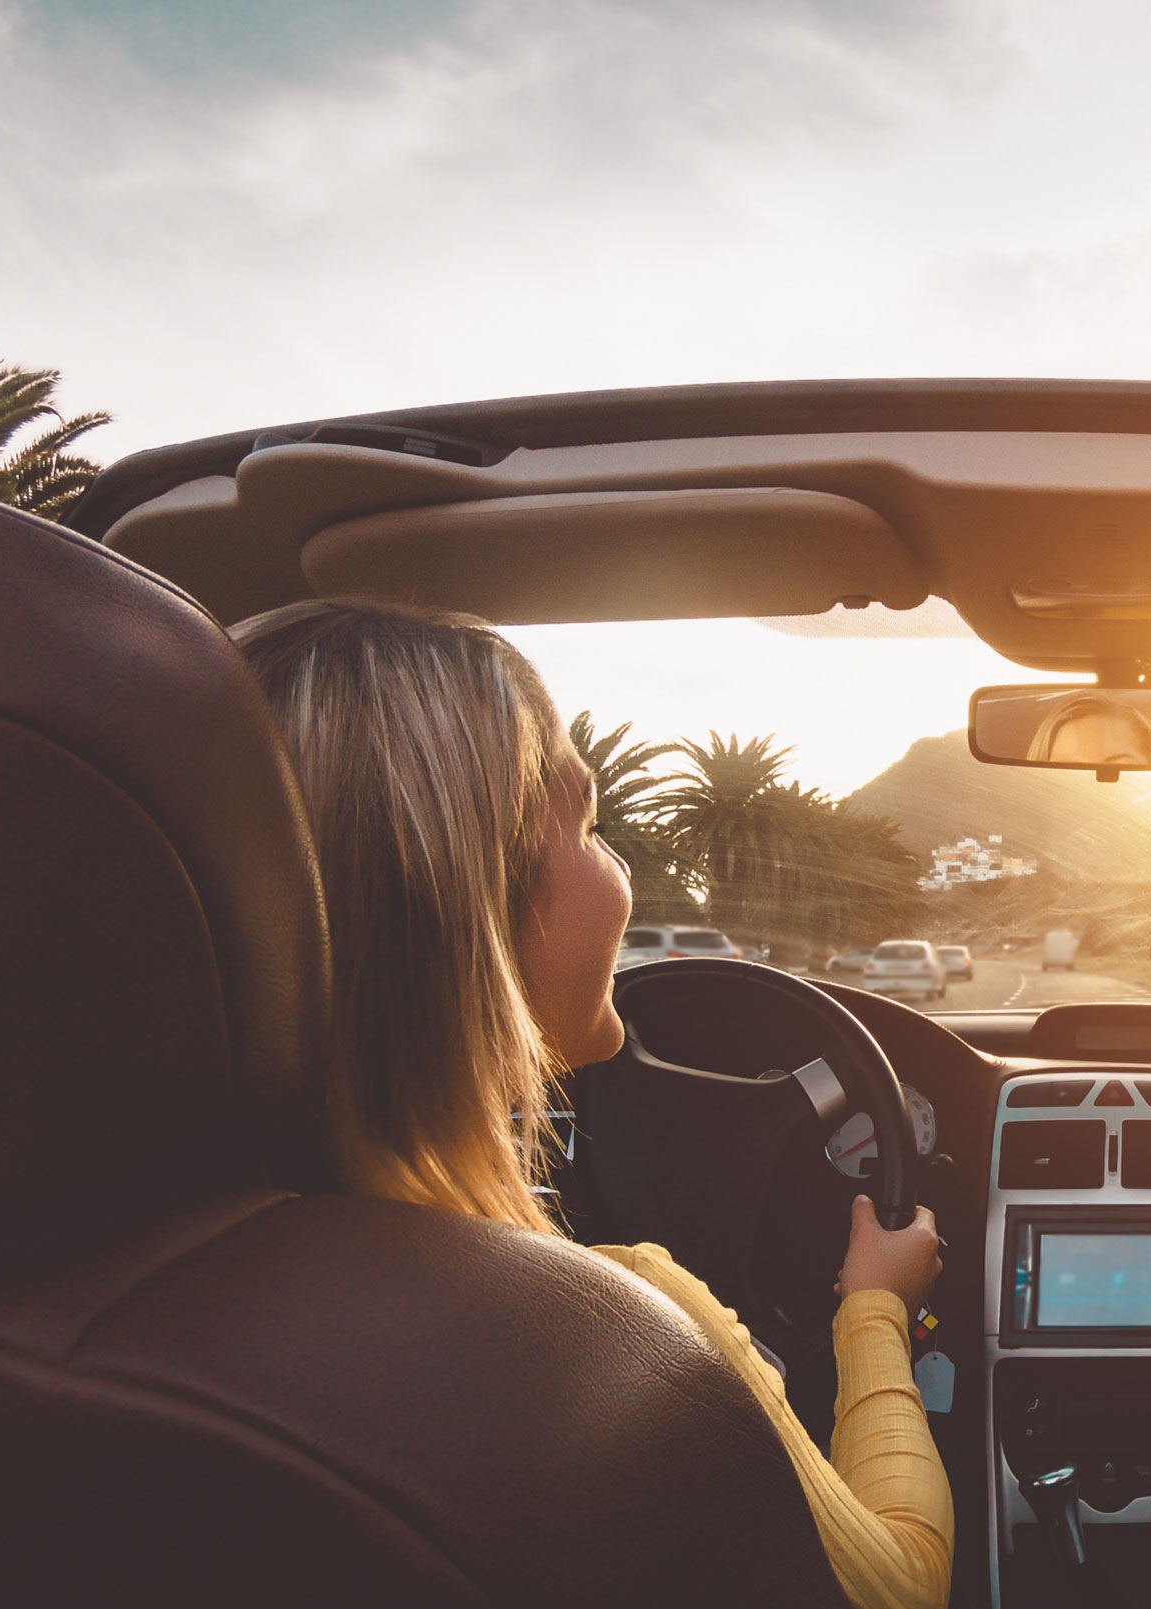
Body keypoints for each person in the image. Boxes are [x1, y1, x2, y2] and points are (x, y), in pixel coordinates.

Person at [229, 598, 954, 1609]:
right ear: (468, 906)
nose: (619, 873)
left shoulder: (120, 1295)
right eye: (591, 825)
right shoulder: (617, 1334)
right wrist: (874, 1307)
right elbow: (904, 1584)